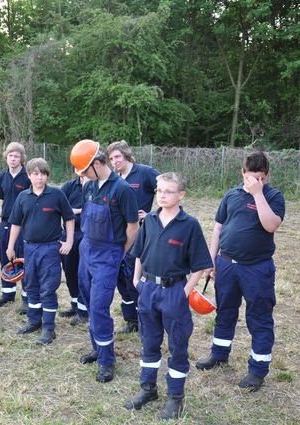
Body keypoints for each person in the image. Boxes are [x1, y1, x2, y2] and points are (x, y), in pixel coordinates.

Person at [124, 172, 212, 420]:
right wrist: (136, 280)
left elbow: (200, 265)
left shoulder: (189, 225)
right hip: (148, 289)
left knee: (177, 345)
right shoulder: (150, 220)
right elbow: (139, 252)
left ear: (181, 195)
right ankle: (148, 389)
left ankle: (175, 397)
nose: (162, 195)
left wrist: (184, 291)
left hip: (174, 291)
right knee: (149, 341)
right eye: (159, 191)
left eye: (169, 191)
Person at [195, 151, 285, 392]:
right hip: (226, 264)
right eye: (250, 178)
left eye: (260, 178)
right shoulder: (231, 195)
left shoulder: (273, 196)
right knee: (225, 311)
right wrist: (211, 259)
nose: (255, 182)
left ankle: (257, 370)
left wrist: (258, 194)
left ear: (267, 175)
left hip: (257, 268)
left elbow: (271, 225)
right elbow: (218, 228)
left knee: (259, 317)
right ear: (242, 173)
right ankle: (219, 354)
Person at [70, 139, 139, 383]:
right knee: (89, 302)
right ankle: (98, 348)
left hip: (108, 254)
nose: (82, 175)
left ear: (97, 164)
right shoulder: (89, 186)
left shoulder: (122, 189)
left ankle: (107, 361)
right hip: (87, 249)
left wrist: (121, 252)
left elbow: (133, 226)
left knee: (99, 307)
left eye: (84, 170)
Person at [7, 158, 75, 345]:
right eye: (35, 174)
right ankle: (34, 320)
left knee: (48, 288)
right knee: (31, 285)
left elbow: (69, 218)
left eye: (43, 174)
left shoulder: (57, 194)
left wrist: (69, 241)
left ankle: (48, 328)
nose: (40, 178)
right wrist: (10, 246)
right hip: (29, 248)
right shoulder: (23, 197)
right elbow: (15, 223)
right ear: (29, 176)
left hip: (50, 249)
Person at [107, 140, 160, 334]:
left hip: (139, 234)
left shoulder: (145, 172)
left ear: (127, 155)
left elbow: (169, 189)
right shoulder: (114, 178)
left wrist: (153, 214)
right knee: (120, 277)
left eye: (117, 156)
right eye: (111, 158)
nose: (115, 161)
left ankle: (145, 320)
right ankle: (131, 320)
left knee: (134, 277)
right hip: (117, 234)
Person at [0, 142, 31, 313]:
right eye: (10, 155)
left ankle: (27, 298)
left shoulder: (28, 176)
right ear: (6, 157)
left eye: (16, 156)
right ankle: (7, 293)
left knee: (23, 258)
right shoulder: (2, 176)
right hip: (6, 222)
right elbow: (3, 198)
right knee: (5, 256)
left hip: (24, 223)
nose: (13, 159)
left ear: (22, 158)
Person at [59, 173, 89, 325]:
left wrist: (76, 210)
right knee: (69, 270)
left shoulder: (98, 186)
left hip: (88, 234)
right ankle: (75, 304)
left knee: (84, 273)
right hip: (69, 233)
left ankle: (84, 311)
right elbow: (59, 207)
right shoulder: (69, 186)